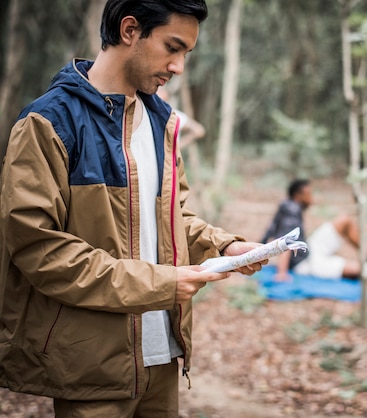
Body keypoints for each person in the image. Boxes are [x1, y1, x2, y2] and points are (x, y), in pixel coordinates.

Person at [0, 1, 266, 416]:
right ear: (129, 30)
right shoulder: (48, 123)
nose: (178, 67)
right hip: (91, 365)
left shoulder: (161, 122)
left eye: (186, 55)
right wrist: (160, 284)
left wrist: (224, 246)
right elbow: (39, 250)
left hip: (163, 357)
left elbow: (172, 220)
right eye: (172, 48)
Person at [262, 179, 366, 281]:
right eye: (309, 194)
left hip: (307, 248)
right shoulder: (291, 212)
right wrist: (282, 273)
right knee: (357, 269)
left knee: (344, 221)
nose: (312, 198)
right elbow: (285, 241)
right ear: (298, 195)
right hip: (303, 263)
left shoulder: (289, 205)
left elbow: (272, 230)